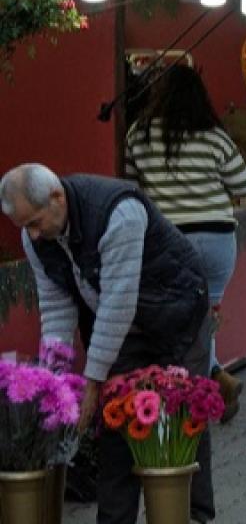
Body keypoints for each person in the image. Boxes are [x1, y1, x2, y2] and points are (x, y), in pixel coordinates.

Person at [1, 164, 215, 524]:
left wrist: (93, 380)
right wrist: (53, 382)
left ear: (57, 197)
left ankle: (193, 516)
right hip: (123, 327)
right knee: (115, 425)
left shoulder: (118, 213)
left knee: (183, 418)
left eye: (36, 222)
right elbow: (55, 308)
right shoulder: (35, 238)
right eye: (25, 227)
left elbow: (118, 302)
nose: (34, 235)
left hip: (175, 312)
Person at [125, 65, 246, 423]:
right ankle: (213, 382)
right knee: (204, 315)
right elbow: (244, 184)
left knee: (180, 318)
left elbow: (131, 190)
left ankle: (201, 389)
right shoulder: (214, 136)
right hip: (216, 239)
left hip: (167, 240)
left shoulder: (139, 136)